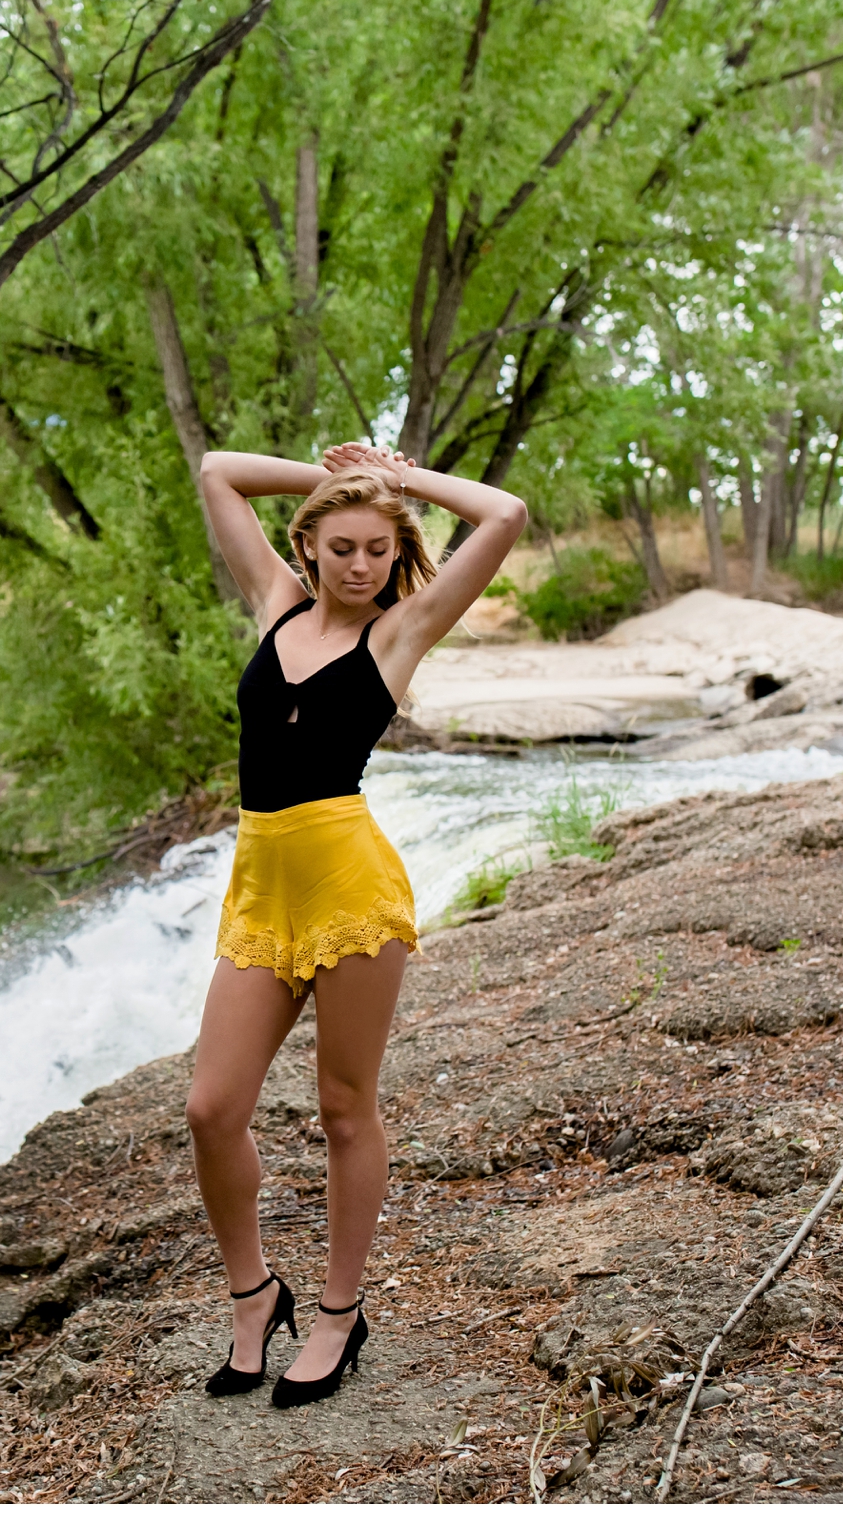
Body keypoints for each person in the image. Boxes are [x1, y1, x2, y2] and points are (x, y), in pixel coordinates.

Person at [186, 440, 526, 1408]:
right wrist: (336, 472)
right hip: (261, 885)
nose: (362, 565)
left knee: (344, 1106)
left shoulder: (398, 633)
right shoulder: (274, 602)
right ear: (310, 545)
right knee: (212, 1107)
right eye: (343, 546)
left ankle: (338, 1313)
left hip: (351, 887)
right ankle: (254, 1293)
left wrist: (401, 482)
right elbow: (216, 471)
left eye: (379, 548)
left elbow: (503, 513)